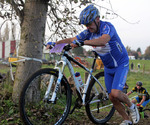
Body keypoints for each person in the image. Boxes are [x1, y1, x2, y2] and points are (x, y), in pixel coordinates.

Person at [47, 4, 140, 125]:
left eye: (89, 23)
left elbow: (103, 41)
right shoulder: (88, 32)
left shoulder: (107, 27)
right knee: (111, 97)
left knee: (115, 93)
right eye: (85, 25)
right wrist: (55, 43)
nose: (87, 27)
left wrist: (83, 42)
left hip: (121, 64)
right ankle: (127, 120)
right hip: (108, 67)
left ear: (97, 19)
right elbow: (71, 39)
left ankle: (132, 106)